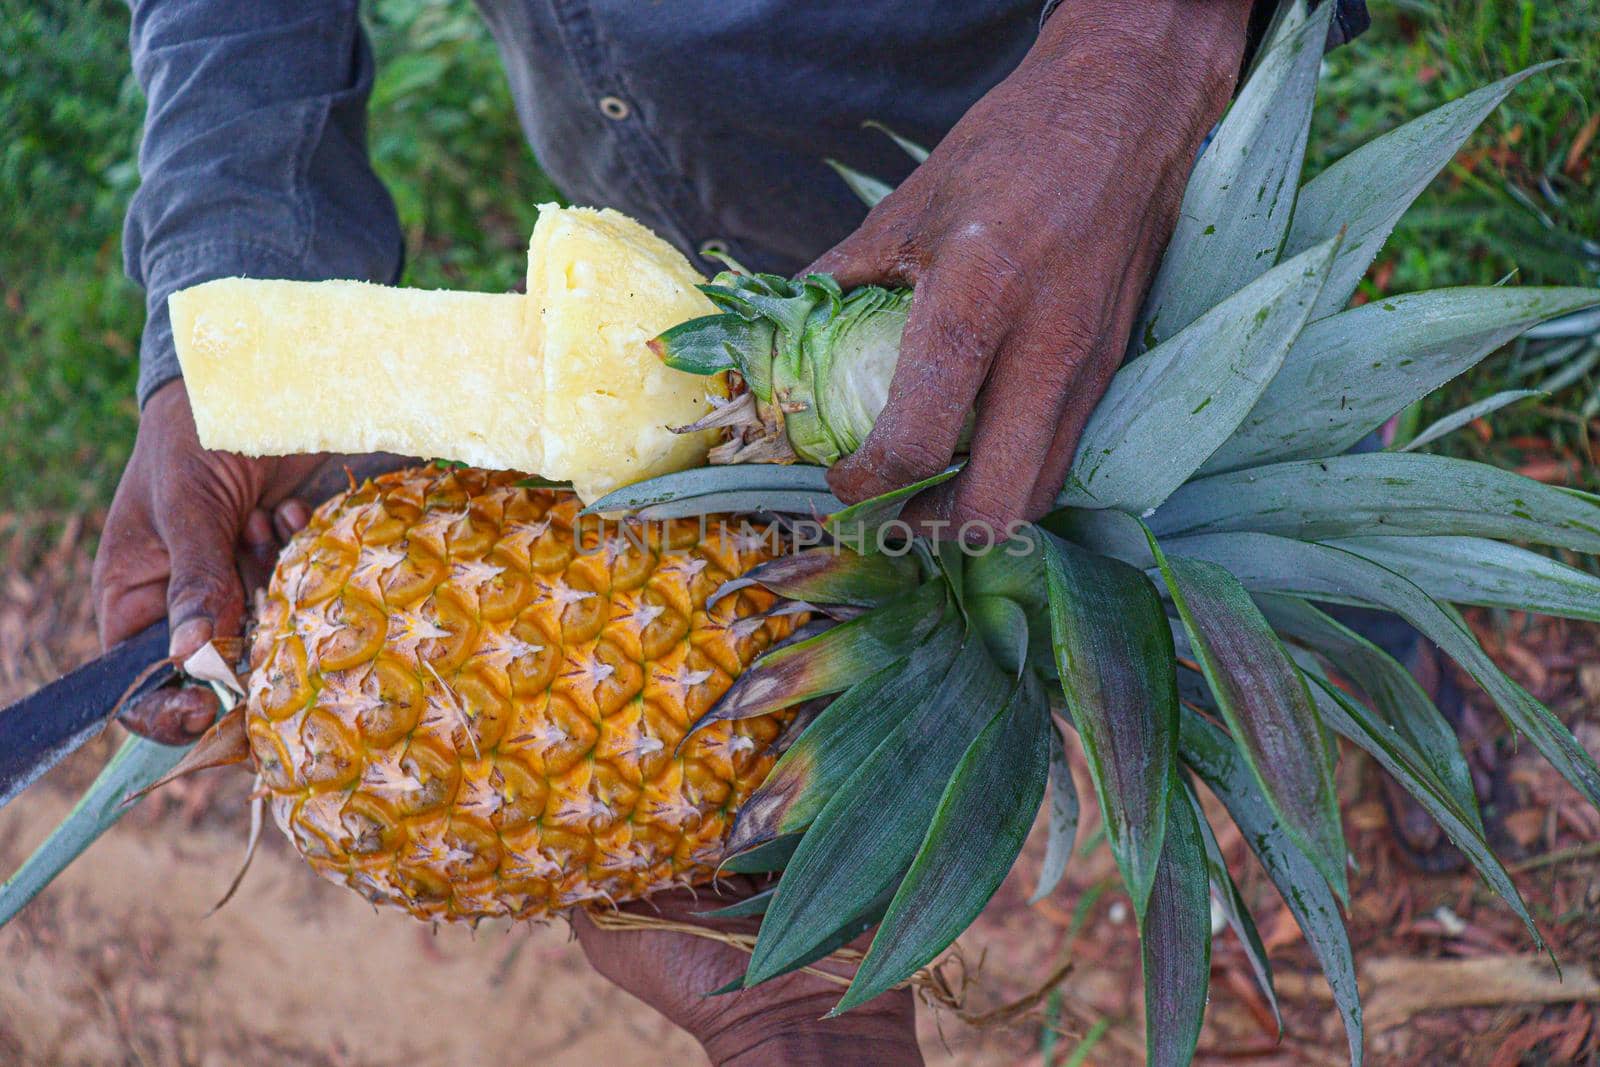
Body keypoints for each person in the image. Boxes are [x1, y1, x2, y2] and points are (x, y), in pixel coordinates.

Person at [94, 1, 1370, 1062]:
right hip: (715, 285)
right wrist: (236, 324)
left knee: (1286, 574)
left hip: (1058, 162)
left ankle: (1356, 712)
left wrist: (1144, 52)